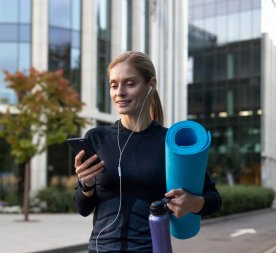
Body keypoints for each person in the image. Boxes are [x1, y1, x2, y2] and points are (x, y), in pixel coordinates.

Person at [73, 51, 222, 253]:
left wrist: (193, 203)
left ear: (151, 85)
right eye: (114, 85)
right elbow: (82, 208)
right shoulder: (96, 138)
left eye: (130, 83)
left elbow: (213, 199)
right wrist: (87, 185)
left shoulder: (170, 143)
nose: (119, 92)